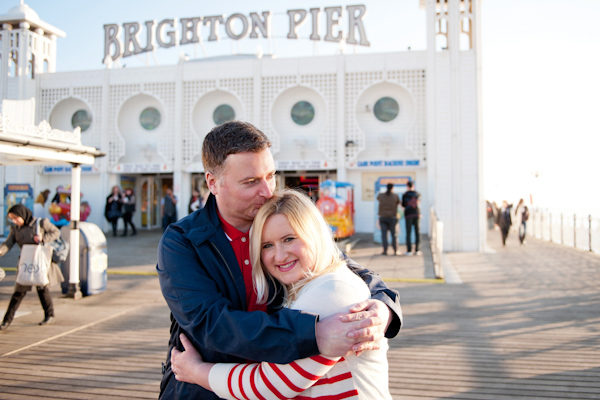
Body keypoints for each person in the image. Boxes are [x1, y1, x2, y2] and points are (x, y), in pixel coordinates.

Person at [157, 121, 402, 399]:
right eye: (251, 182)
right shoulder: (183, 241)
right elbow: (212, 324)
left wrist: (384, 309)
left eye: (270, 176)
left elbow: (340, 267)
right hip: (203, 387)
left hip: (272, 382)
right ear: (213, 182)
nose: (267, 191)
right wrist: (314, 334)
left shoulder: (278, 221)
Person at [171, 189, 392, 399]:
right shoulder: (303, 286)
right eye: (267, 245)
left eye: (289, 239)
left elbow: (268, 386)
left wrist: (196, 371)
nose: (279, 256)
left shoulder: (333, 291)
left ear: (314, 234)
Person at [0, 205, 64, 330]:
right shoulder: (15, 229)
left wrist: (43, 239)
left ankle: (49, 315)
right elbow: (8, 243)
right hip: (26, 263)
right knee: (18, 292)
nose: (14, 221)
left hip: (39, 262)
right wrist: (1, 251)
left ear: (22, 215)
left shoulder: (40, 223)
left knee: (42, 289)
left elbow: (56, 232)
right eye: (12, 219)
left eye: (16, 218)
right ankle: (6, 321)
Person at [377, 183, 401, 256]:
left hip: (383, 217)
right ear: (392, 188)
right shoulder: (395, 196)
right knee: (394, 235)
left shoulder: (381, 195)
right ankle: (395, 250)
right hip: (392, 218)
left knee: (384, 235)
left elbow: (377, 198)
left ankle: (385, 250)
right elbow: (398, 202)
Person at [401, 180, 422, 256]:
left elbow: (403, 205)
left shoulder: (405, 195)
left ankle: (409, 250)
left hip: (408, 215)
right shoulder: (417, 194)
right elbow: (419, 204)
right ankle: (417, 250)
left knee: (408, 233)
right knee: (417, 232)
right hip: (417, 214)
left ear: (407, 186)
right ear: (413, 186)